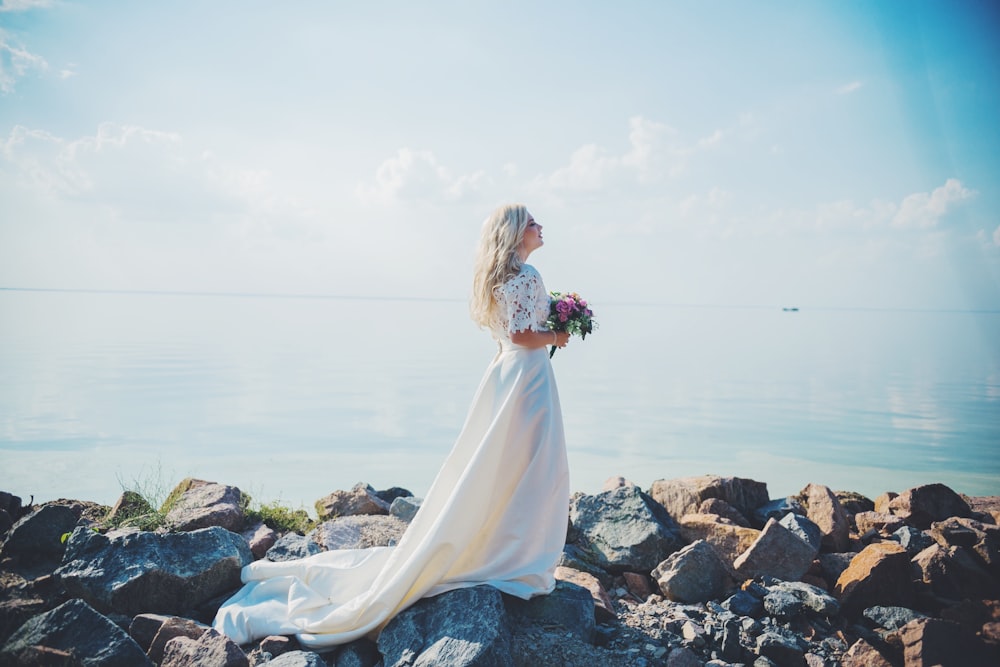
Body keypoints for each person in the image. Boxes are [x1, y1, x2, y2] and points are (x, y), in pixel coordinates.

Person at [213, 203, 571, 648]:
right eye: (533, 222)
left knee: (503, 465)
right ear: (517, 233)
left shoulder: (502, 278)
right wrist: (558, 334)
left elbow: (513, 333)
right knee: (533, 467)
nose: (541, 227)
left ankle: (503, 545)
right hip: (527, 377)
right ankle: (518, 556)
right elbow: (523, 336)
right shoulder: (526, 278)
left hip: (507, 376)